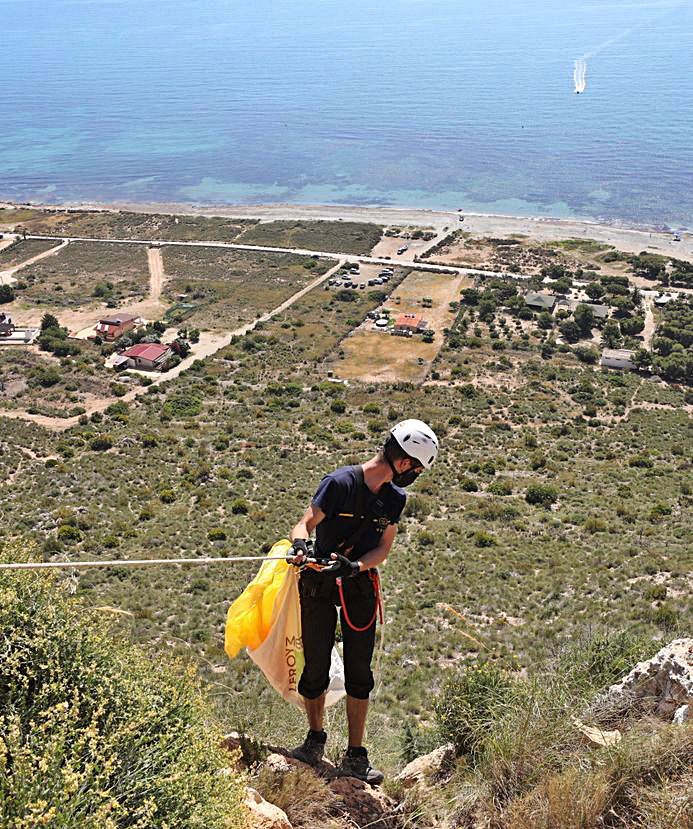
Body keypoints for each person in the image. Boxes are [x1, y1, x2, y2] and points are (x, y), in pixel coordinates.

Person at [287, 419, 439, 784]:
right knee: (316, 665)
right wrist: (301, 548)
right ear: (405, 462)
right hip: (318, 582)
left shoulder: (394, 500)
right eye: (416, 469)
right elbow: (304, 524)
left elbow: (383, 547)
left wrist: (356, 565)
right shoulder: (339, 483)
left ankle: (356, 755)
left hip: (358, 585)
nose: (413, 476)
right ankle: (314, 741)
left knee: (359, 671)